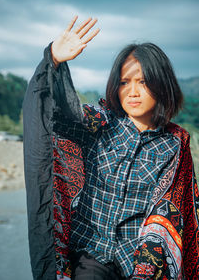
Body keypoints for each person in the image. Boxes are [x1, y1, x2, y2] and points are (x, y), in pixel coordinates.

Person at [23, 16, 199, 280]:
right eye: (125, 82)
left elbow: (178, 209)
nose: (133, 92)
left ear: (161, 84)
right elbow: (54, 115)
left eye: (143, 81)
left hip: (141, 260)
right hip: (90, 254)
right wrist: (53, 61)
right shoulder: (99, 122)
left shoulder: (175, 142)